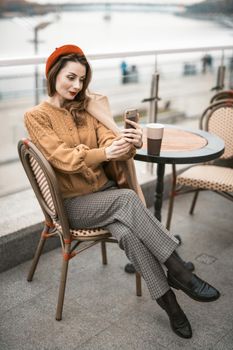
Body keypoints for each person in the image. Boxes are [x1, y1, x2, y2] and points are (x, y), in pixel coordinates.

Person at [24, 44, 220, 339]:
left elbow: (109, 141)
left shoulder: (86, 109)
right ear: (53, 75)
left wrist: (128, 140)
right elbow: (63, 158)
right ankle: (180, 272)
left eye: (82, 80)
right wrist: (104, 153)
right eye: (70, 78)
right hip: (73, 205)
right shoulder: (36, 116)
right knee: (127, 199)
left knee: (129, 234)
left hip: (106, 195)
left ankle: (171, 305)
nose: (77, 86)